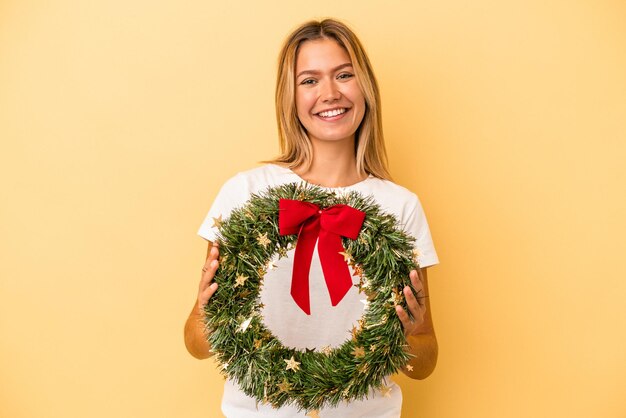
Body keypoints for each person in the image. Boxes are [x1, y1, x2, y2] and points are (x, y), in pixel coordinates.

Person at [184, 18, 439, 418]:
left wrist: (403, 337)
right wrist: (205, 311)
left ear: (365, 87)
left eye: (344, 75)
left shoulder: (400, 207)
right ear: (291, 96)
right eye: (309, 80)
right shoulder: (245, 194)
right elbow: (197, 344)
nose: (330, 93)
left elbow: (423, 362)